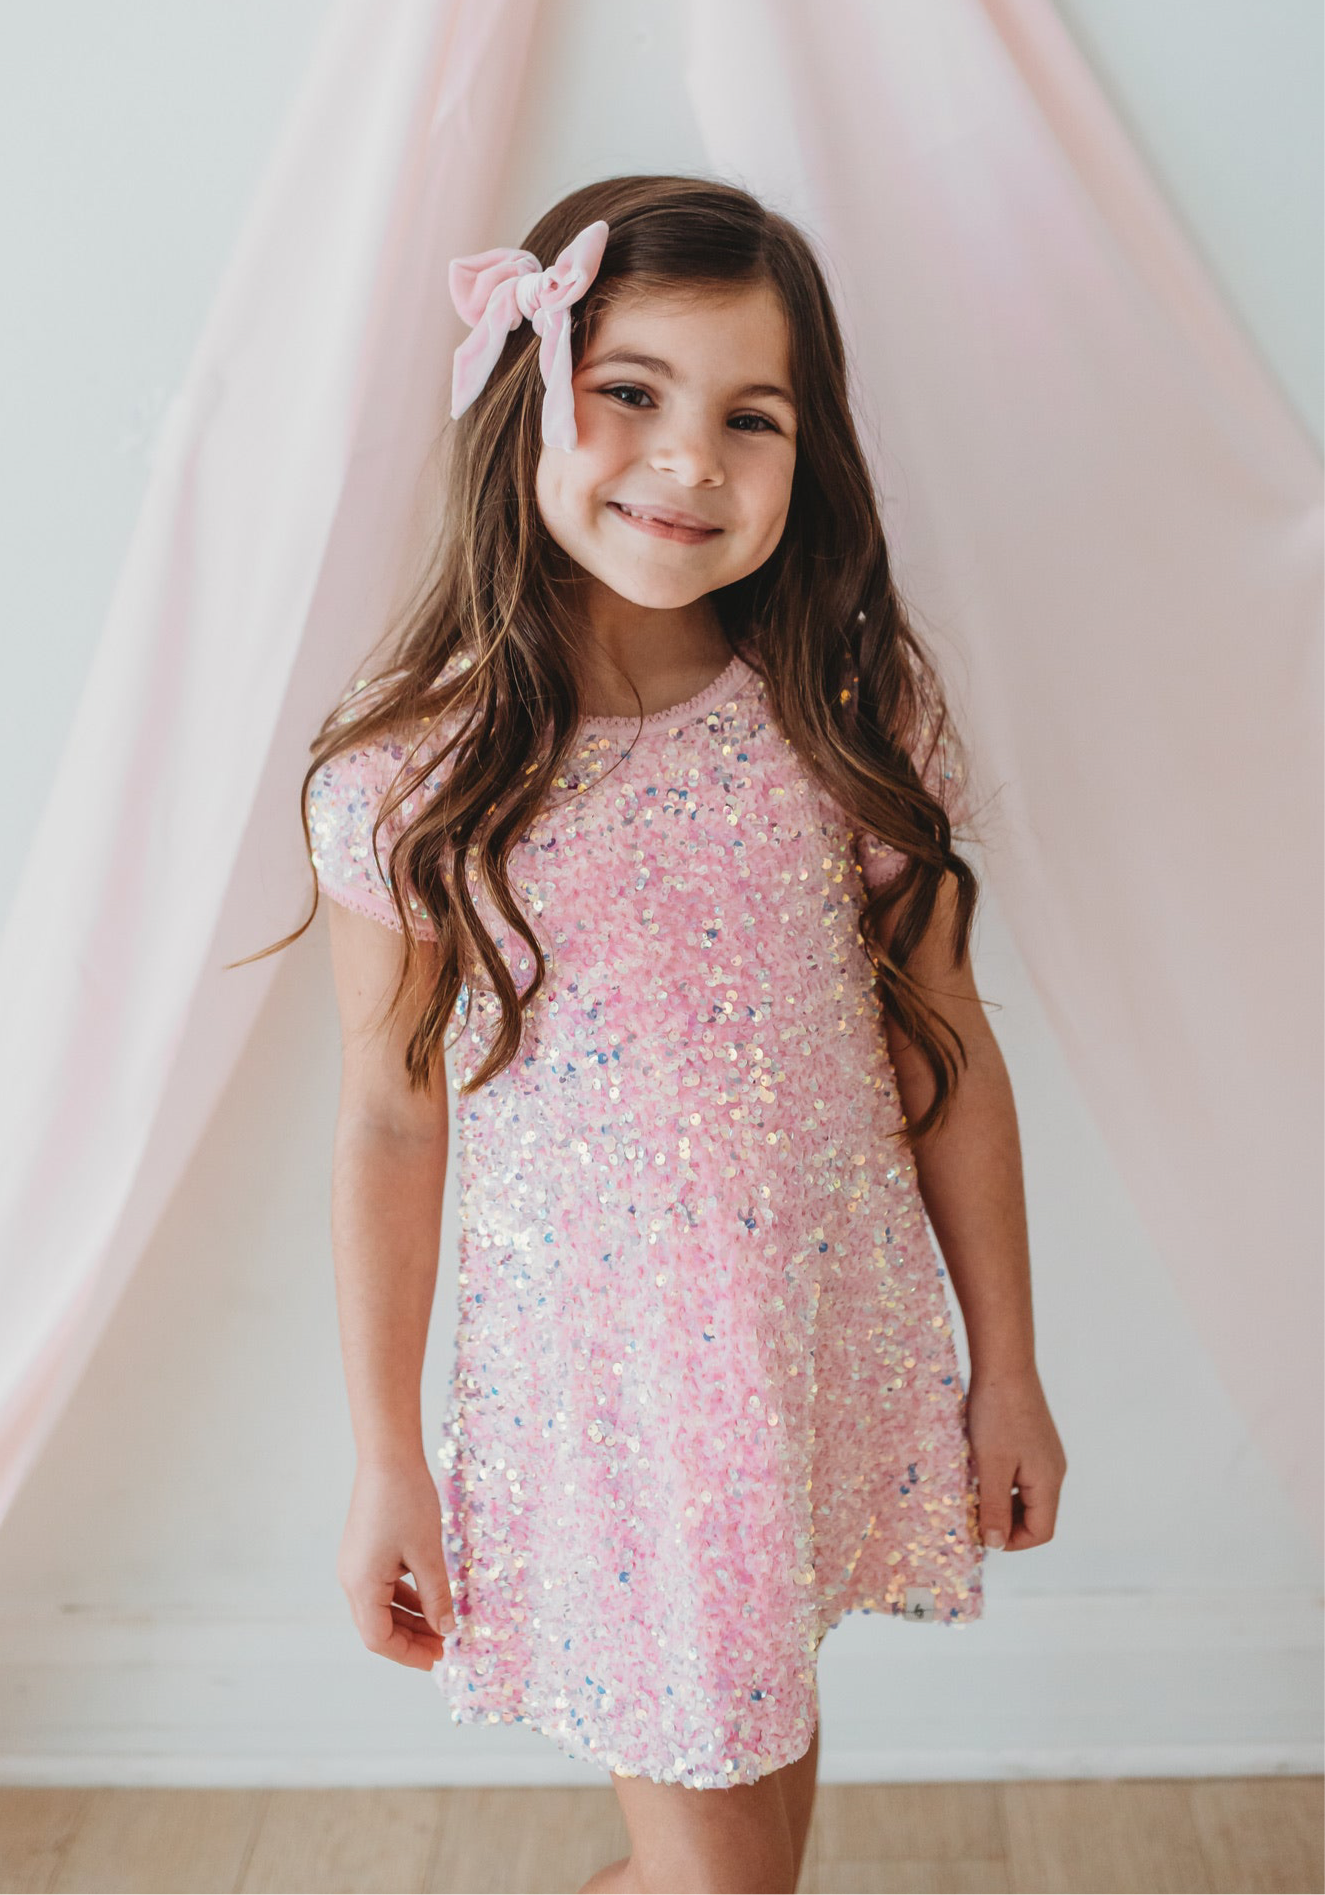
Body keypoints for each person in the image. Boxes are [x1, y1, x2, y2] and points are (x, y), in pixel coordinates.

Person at [287, 174, 1066, 1895]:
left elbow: (943, 1047)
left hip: (811, 1361)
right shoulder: (410, 779)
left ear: (809, 454)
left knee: (751, 1858)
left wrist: (1006, 1363)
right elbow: (389, 1120)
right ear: (527, 398)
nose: (688, 459)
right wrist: (386, 1455)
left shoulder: (844, 719)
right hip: (614, 1413)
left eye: (750, 417)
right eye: (629, 390)